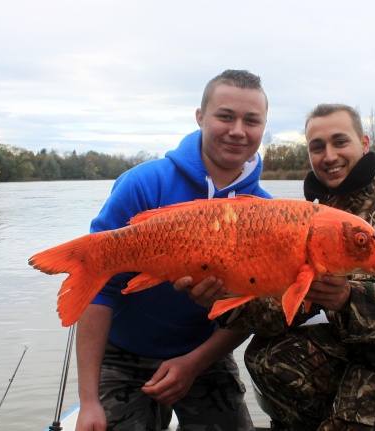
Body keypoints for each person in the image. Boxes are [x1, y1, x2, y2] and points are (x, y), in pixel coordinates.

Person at [178, 103, 375, 430]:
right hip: (358, 357)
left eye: (340, 142)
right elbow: (281, 314)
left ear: (364, 143)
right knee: (267, 357)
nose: (329, 156)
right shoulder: (317, 217)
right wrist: (221, 297)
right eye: (317, 147)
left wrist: (349, 298)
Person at [75, 69, 270, 431]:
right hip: (122, 355)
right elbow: (99, 289)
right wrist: (88, 402)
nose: (238, 130)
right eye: (225, 116)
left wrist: (194, 363)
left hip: (204, 354)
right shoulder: (145, 183)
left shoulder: (267, 212)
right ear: (200, 117)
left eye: (251, 120)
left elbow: (254, 311)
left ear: (263, 126)